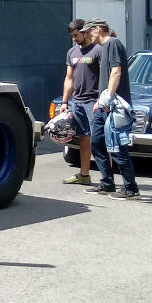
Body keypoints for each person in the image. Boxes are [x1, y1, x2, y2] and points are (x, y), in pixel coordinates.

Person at [83, 19, 140, 200]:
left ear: (98, 29)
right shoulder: (104, 48)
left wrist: (108, 97)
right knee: (97, 143)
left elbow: (116, 72)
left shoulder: (113, 43)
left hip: (114, 106)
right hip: (104, 105)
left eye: (89, 32)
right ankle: (107, 183)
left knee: (117, 147)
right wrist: (100, 100)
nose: (87, 36)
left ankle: (131, 189)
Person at [59, 19, 99, 184]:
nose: (74, 38)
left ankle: (107, 180)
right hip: (78, 102)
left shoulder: (98, 50)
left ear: (85, 32)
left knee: (99, 140)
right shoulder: (72, 52)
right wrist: (65, 102)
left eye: (76, 35)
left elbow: (107, 76)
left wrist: (102, 100)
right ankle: (84, 176)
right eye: (72, 36)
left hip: (94, 102)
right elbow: (69, 78)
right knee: (83, 138)